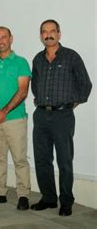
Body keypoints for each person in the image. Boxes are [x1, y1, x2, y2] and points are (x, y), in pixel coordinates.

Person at [30, 19, 92, 216]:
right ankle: (48, 198)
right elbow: (35, 85)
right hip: (41, 115)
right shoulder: (38, 59)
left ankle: (66, 201)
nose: (48, 35)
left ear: (59, 33)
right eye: (44, 32)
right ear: (41, 35)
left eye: (52, 31)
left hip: (62, 116)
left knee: (64, 160)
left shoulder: (71, 57)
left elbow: (85, 84)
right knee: (42, 159)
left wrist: (71, 104)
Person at [0, 27, 31, 210]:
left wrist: (4, 111)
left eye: (3, 37)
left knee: (19, 159)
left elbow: (23, 91)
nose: (0, 41)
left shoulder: (21, 62)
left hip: (15, 119)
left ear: (11, 39)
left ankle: (23, 195)